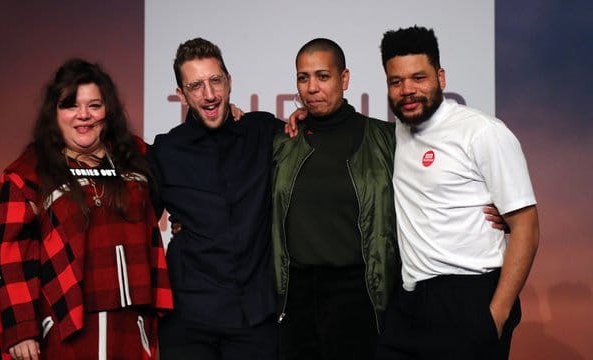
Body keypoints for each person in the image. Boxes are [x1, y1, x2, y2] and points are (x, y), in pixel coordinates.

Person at [0, 59, 173, 360]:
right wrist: (22, 329)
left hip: (129, 326)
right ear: (54, 113)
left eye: (94, 105)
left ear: (107, 111)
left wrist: (232, 117)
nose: (83, 115)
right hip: (63, 329)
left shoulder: (137, 157)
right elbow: (11, 257)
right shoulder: (27, 174)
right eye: (70, 105)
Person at [376, 26, 540, 359]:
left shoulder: (482, 132)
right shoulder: (396, 134)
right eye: (396, 81)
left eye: (419, 78)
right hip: (408, 301)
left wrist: (495, 315)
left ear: (441, 77)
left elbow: (527, 227)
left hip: (469, 299)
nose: (407, 90)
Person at [150, 38, 281, 360]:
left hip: (254, 318)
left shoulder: (262, 131)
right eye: (196, 86)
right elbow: (134, 225)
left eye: (215, 81)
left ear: (229, 81)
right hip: (188, 319)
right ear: (181, 95)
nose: (209, 94)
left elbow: (313, 135)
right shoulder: (165, 151)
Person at [271, 38, 399, 360]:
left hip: (362, 294)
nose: (312, 87)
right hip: (296, 297)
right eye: (303, 77)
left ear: (344, 79)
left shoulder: (386, 139)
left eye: (323, 76)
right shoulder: (283, 143)